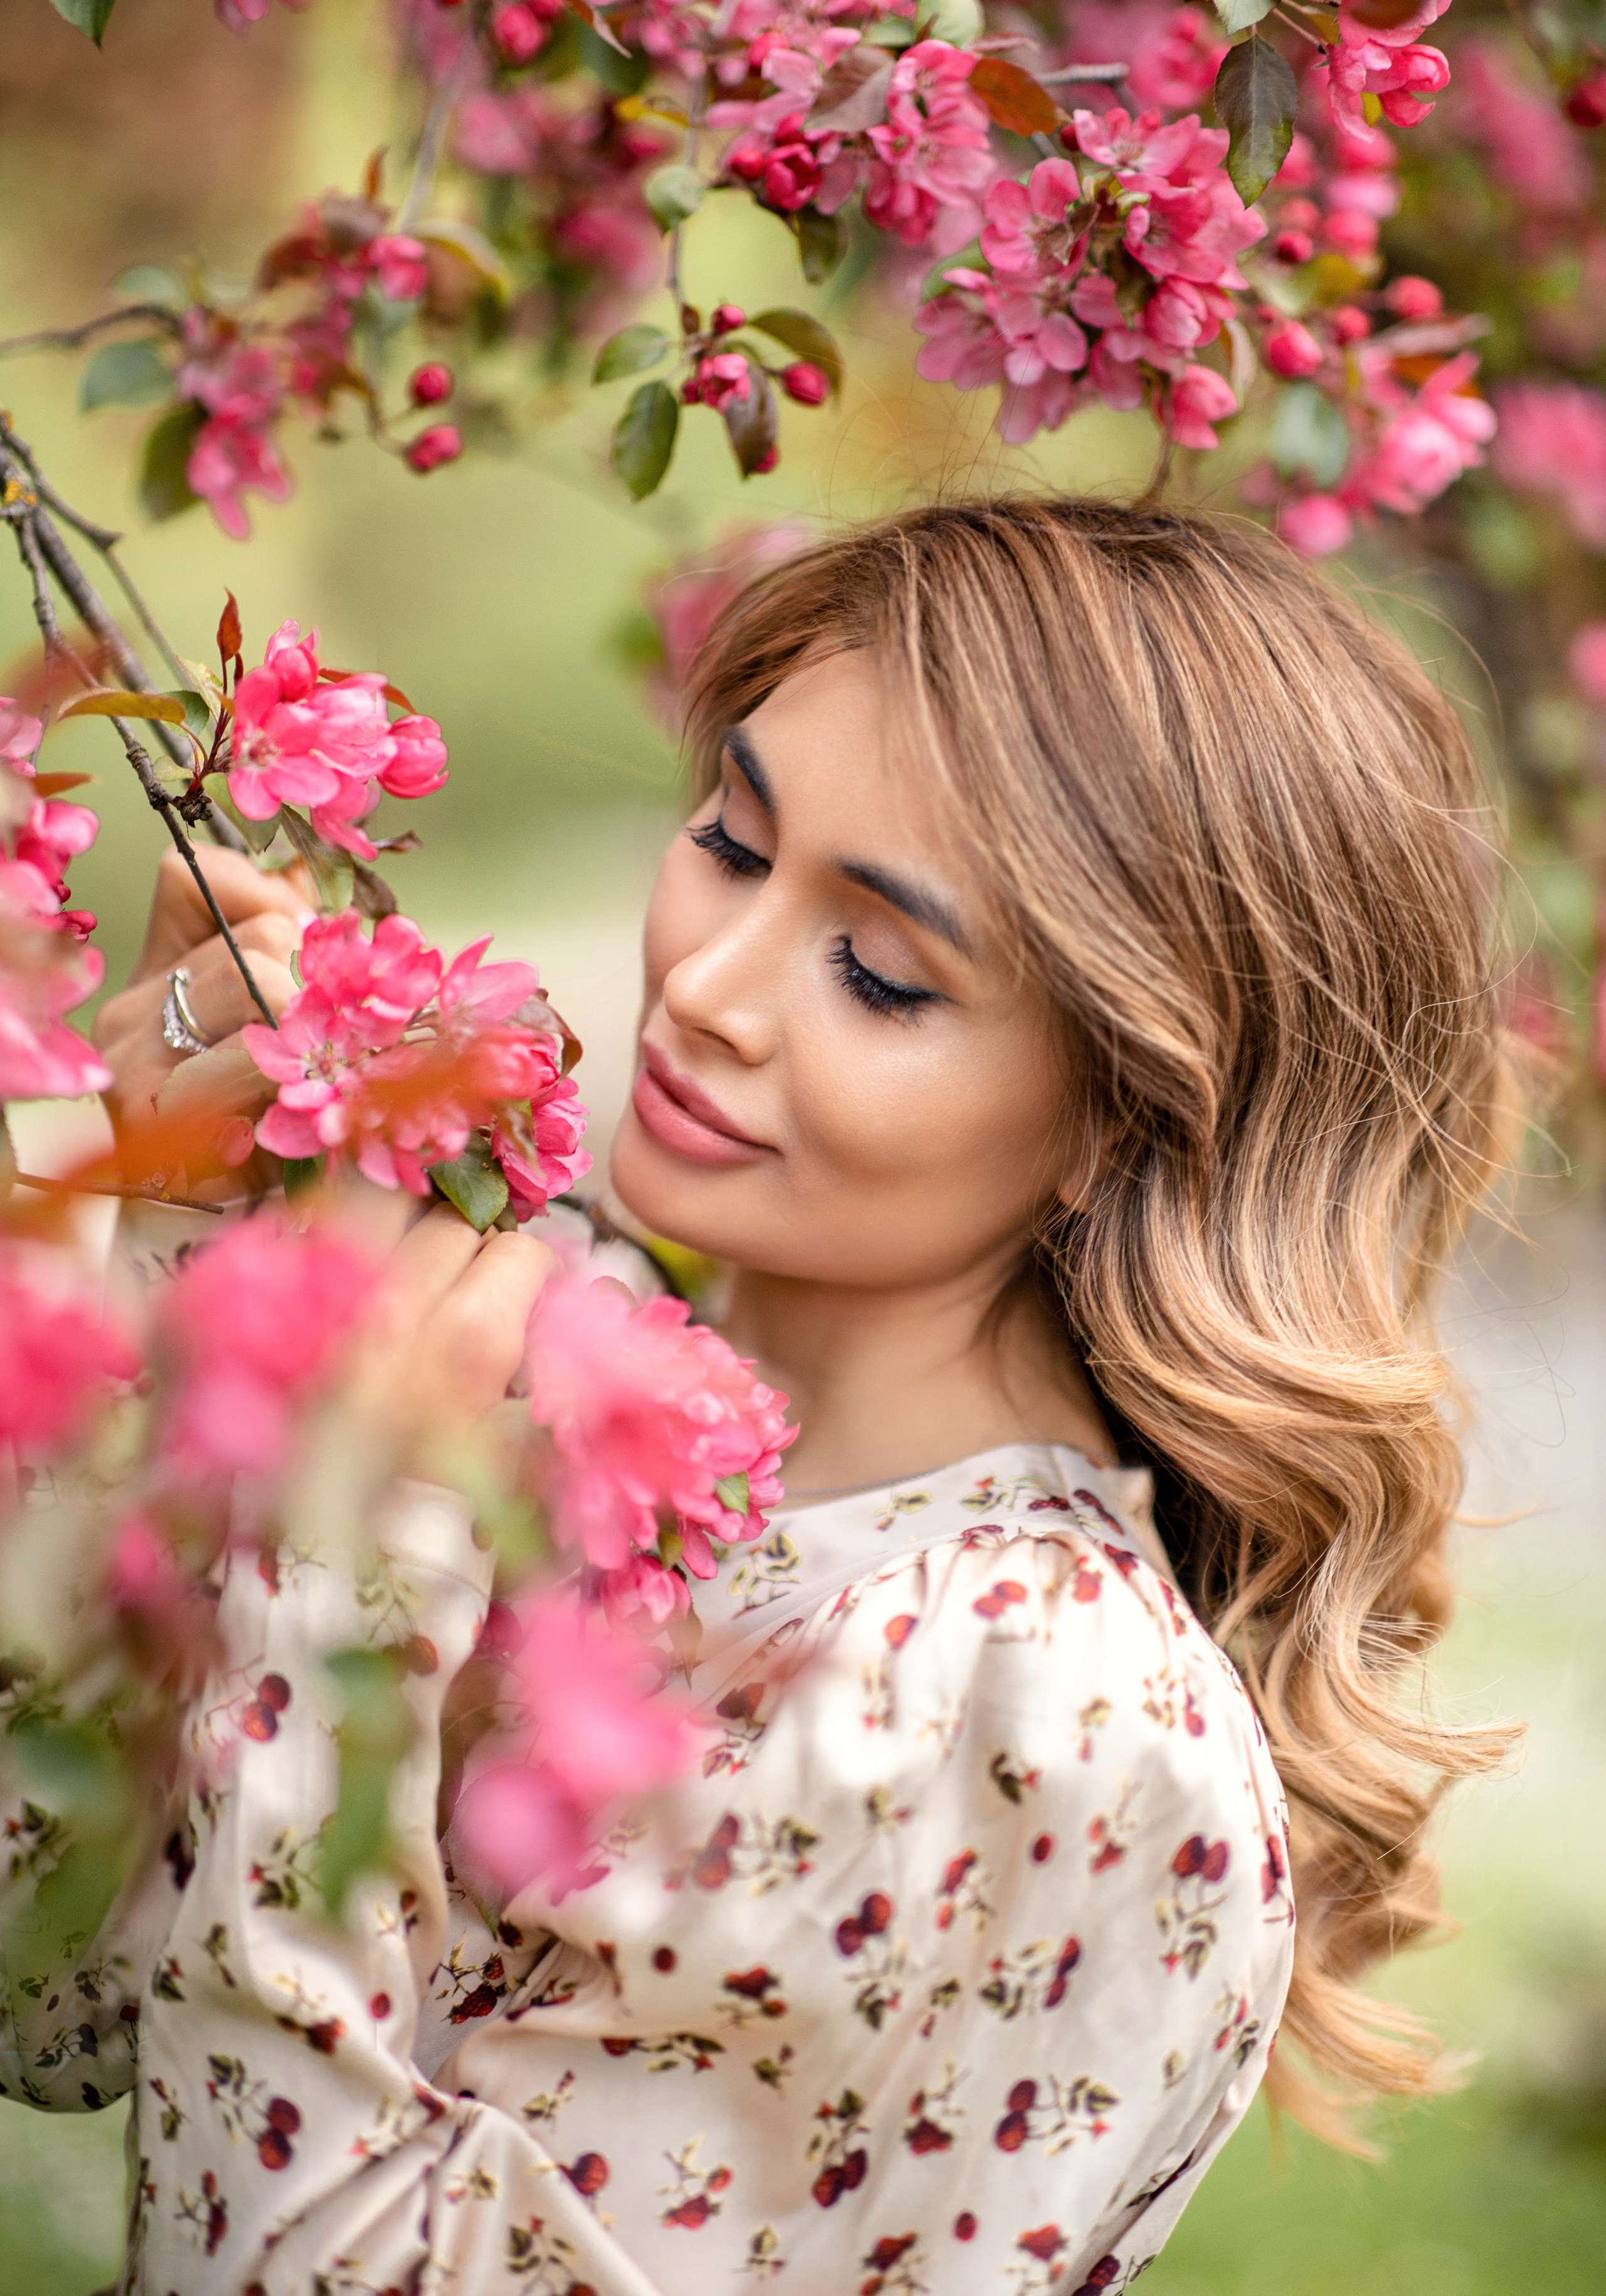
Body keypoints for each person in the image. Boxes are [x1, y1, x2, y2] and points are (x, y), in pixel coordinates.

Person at [8, 498, 1522, 2293]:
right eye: (732, 840)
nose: (701, 990)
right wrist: (155, 1208)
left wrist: (346, 1561)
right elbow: (54, 2000)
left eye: (880, 970)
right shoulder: (567, 1373)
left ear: (1134, 1111)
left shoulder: (1048, 1714)